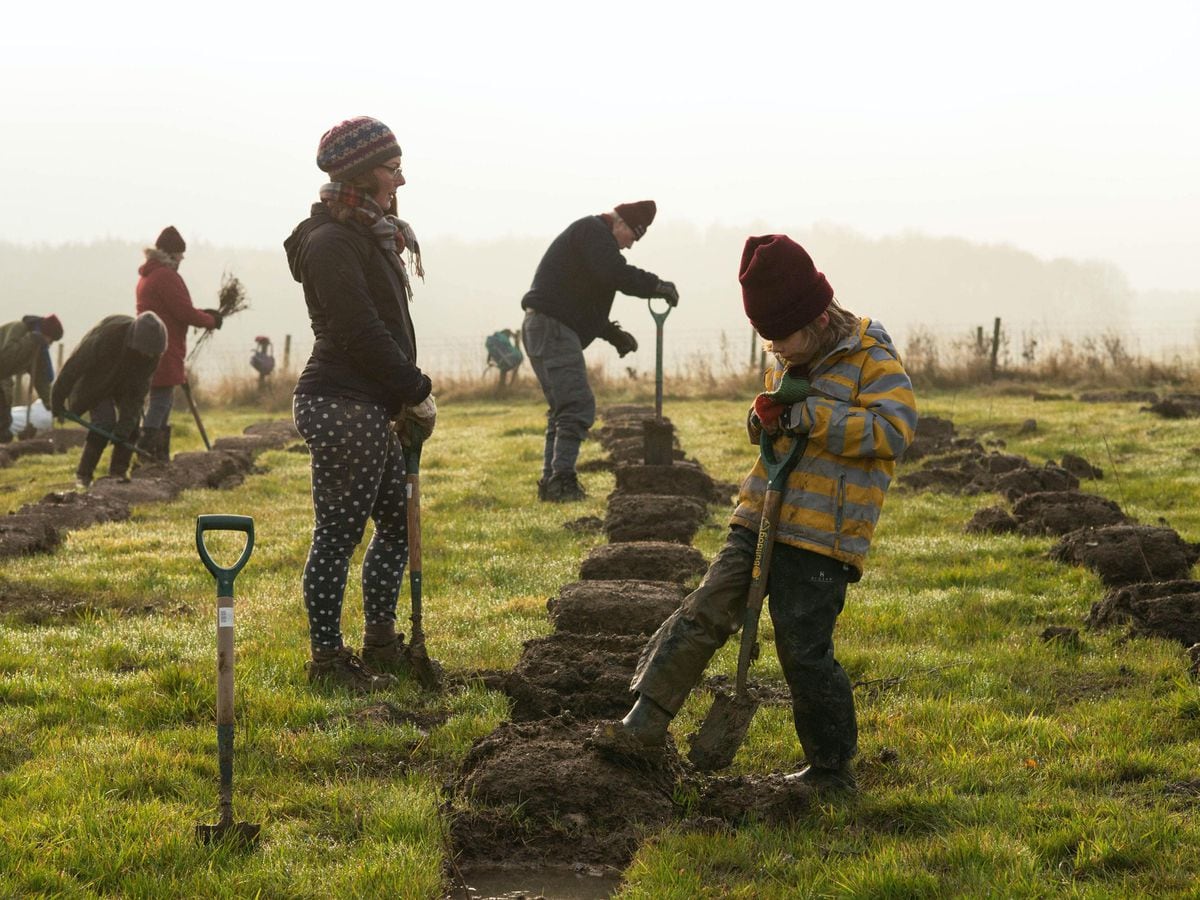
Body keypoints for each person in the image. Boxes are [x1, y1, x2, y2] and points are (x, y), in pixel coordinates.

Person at [608, 235, 918, 793]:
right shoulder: (789, 360)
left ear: (819, 317)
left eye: (784, 338)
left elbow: (892, 433)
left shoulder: (873, 361)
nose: (777, 351)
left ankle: (831, 770)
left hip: (823, 536)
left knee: (802, 648)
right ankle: (646, 718)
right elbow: (781, 428)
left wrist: (811, 416)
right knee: (705, 609)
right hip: (759, 515)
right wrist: (764, 420)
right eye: (768, 342)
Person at [285, 115, 436, 693]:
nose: (400, 181)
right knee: (339, 536)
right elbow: (360, 330)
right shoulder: (330, 242)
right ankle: (327, 660)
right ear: (363, 173)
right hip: (340, 401)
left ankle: (380, 641)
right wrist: (414, 389)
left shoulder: (370, 233)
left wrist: (400, 393)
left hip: (369, 401)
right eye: (393, 170)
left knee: (397, 528)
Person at [520, 201, 679, 502]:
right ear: (621, 224)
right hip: (552, 329)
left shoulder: (592, 238)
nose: (630, 245)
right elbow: (614, 274)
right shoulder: (593, 232)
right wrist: (655, 285)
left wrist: (612, 334)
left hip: (544, 326)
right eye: (633, 236)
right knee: (578, 405)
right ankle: (562, 482)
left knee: (563, 409)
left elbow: (581, 299)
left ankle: (552, 482)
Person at [134, 226, 222, 460]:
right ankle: (146, 449)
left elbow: (173, 308)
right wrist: (211, 321)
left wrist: (204, 314)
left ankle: (158, 455)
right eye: (180, 253)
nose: (182, 257)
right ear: (172, 254)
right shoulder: (166, 276)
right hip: (164, 347)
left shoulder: (148, 275)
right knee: (161, 400)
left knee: (162, 398)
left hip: (153, 346)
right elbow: (183, 312)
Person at [51, 312, 167, 488]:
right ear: (136, 342)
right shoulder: (108, 335)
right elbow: (74, 366)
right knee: (104, 422)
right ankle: (83, 475)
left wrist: (124, 428)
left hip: (126, 385)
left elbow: (137, 394)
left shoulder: (152, 354)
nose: (149, 356)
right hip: (95, 381)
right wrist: (57, 399)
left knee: (130, 427)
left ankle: (118, 473)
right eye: (146, 352)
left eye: (152, 353)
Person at [0, 314, 63, 443]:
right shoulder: (18, 329)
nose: (49, 344)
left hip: (3, 378)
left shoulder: (38, 346)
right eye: (50, 340)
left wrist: (51, 404)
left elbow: (41, 380)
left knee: (4, 422)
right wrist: (30, 340)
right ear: (46, 334)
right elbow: (6, 358)